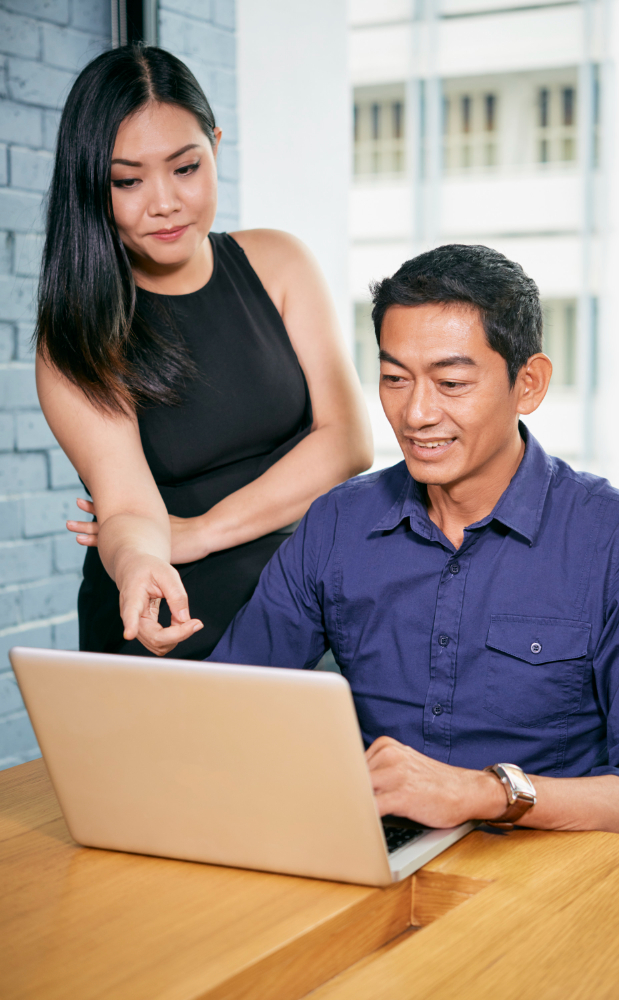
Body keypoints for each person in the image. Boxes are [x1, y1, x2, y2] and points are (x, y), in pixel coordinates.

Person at [208, 244, 619, 838]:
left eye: (451, 382)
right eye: (395, 378)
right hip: (376, 851)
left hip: (545, 873)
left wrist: (485, 792)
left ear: (528, 384)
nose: (416, 413)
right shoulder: (338, 524)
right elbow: (231, 706)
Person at [36, 45, 372, 660]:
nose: (163, 201)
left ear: (215, 146)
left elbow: (348, 441)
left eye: (185, 168)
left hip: (315, 602)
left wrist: (199, 532)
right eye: (127, 180)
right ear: (91, 185)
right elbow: (130, 510)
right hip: (175, 617)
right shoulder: (78, 334)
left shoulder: (279, 263)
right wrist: (140, 559)